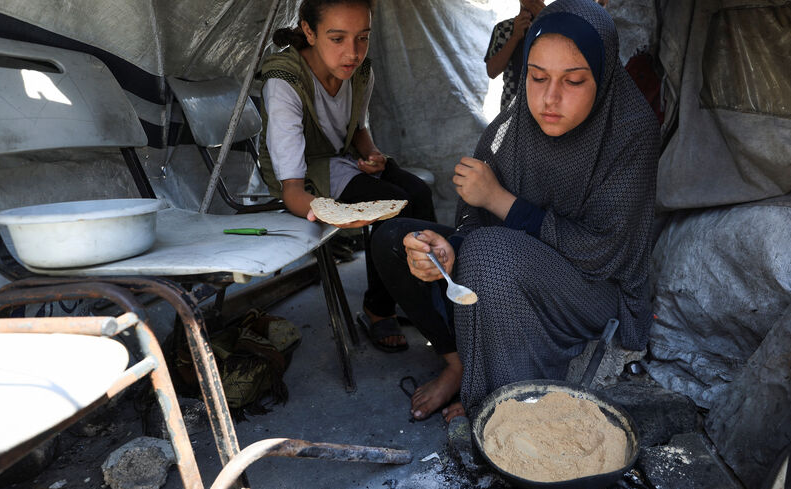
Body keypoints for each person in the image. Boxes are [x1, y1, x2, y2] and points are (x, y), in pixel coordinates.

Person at [372, 0, 660, 421]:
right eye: (537, 76)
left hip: (594, 288)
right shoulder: (513, 126)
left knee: (490, 256)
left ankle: (510, 410)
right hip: (515, 264)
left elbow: (604, 254)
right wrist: (448, 250)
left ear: (603, 76)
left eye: (574, 81)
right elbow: (473, 222)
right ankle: (459, 364)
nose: (549, 98)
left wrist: (498, 201)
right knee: (394, 240)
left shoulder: (630, 133)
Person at [258, 0, 436, 352]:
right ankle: (378, 309)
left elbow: (357, 129)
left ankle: (425, 295)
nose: (352, 53)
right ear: (309, 31)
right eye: (337, 38)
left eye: (363, 38)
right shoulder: (284, 81)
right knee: (389, 205)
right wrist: (327, 212)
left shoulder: (361, 73)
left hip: (340, 159)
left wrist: (370, 154)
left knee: (418, 193)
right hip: (300, 171)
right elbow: (291, 188)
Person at [484, 0, 546, 112]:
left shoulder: (553, 27)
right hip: (510, 105)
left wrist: (547, 22)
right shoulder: (503, 28)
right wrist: (515, 36)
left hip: (544, 105)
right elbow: (492, 71)